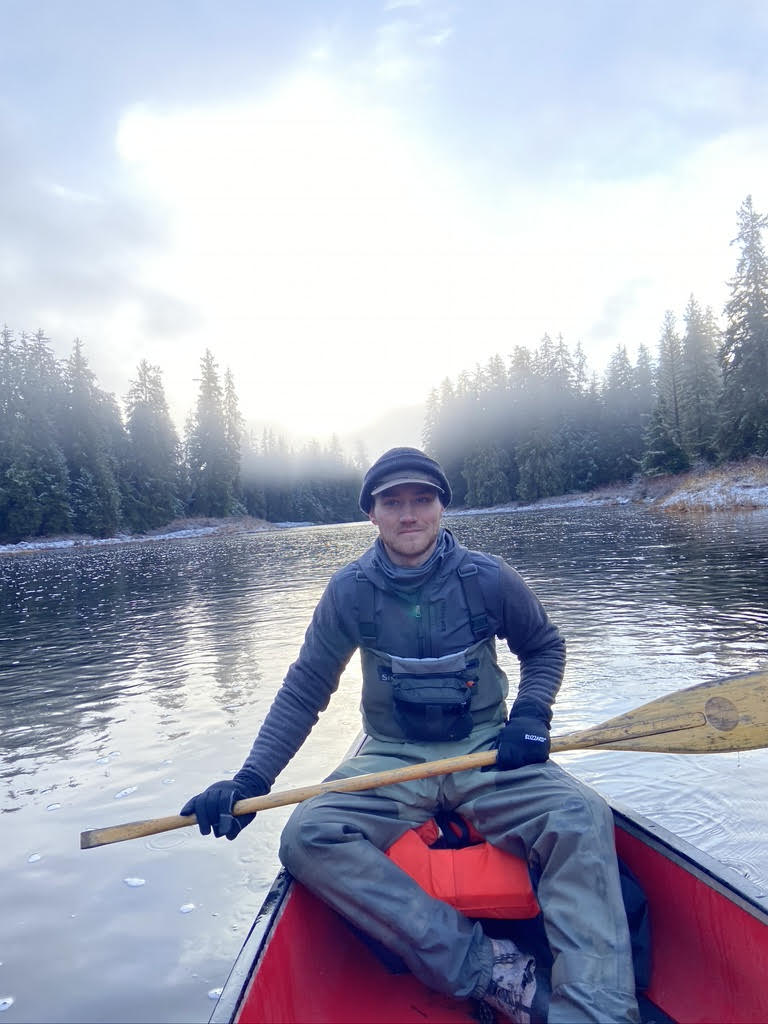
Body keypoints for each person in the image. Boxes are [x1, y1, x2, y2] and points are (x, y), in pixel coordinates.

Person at [181, 447, 640, 1024]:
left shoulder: (490, 579)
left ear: (441, 506)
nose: (408, 515)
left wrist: (530, 716)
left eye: (421, 500)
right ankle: (490, 972)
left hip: (486, 750)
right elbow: (305, 690)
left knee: (579, 816)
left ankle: (595, 1011)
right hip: (389, 758)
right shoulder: (348, 591)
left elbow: (544, 647)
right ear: (371, 514)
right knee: (307, 836)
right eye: (392, 502)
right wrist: (250, 779)